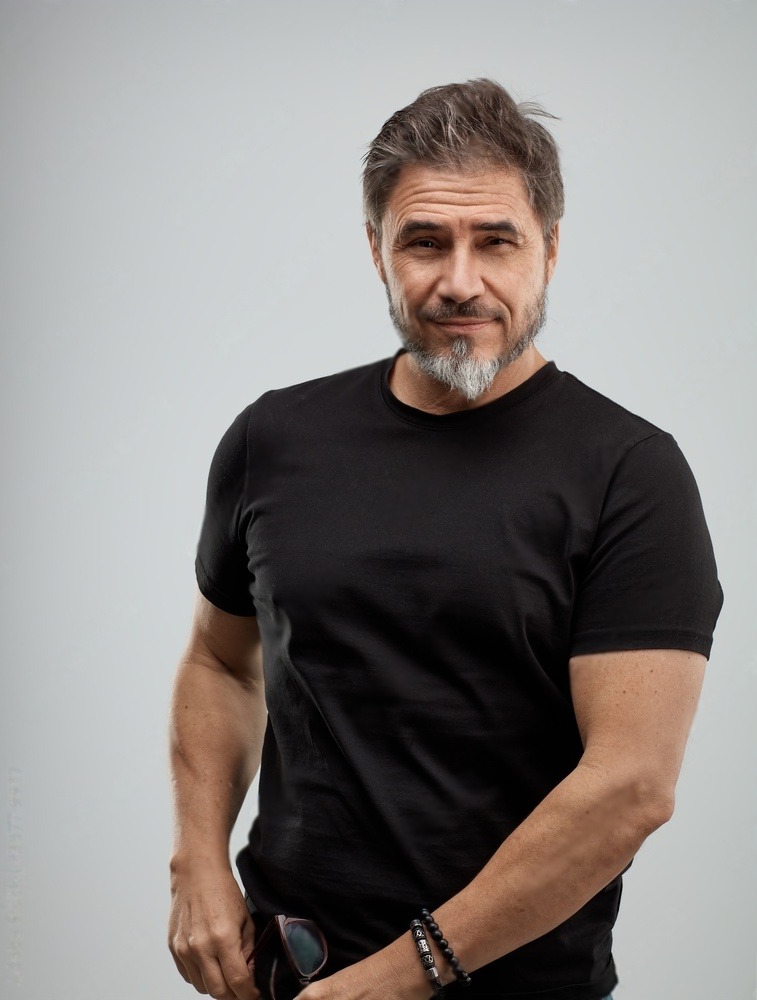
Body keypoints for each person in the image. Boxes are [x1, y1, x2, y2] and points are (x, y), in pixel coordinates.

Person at [167, 79, 724, 1000]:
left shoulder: (630, 473)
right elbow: (220, 664)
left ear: (549, 248)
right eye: (423, 241)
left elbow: (628, 786)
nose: (458, 280)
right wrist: (197, 862)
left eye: (494, 241)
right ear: (376, 252)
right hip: (284, 970)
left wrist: (394, 979)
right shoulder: (273, 439)